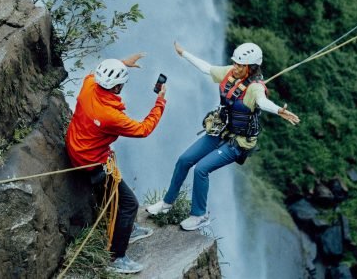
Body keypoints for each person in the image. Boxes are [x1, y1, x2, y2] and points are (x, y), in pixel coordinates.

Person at [146, 42, 300, 231]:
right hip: (221, 131)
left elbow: (262, 101)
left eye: (240, 65)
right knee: (184, 160)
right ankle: (167, 203)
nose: (235, 67)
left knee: (201, 169)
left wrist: (279, 111)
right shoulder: (230, 73)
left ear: (250, 68)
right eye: (235, 63)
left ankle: (199, 215)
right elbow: (207, 68)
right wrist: (183, 53)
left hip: (238, 142)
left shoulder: (255, 88)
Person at [65, 54, 167, 274]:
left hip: (76, 147)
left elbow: (95, 74)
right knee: (130, 204)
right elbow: (143, 129)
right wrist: (160, 102)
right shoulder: (111, 116)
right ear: (117, 87)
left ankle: (126, 226)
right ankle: (117, 257)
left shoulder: (88, 84)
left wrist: (122, 64)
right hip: (92, 162)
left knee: (116, 194)